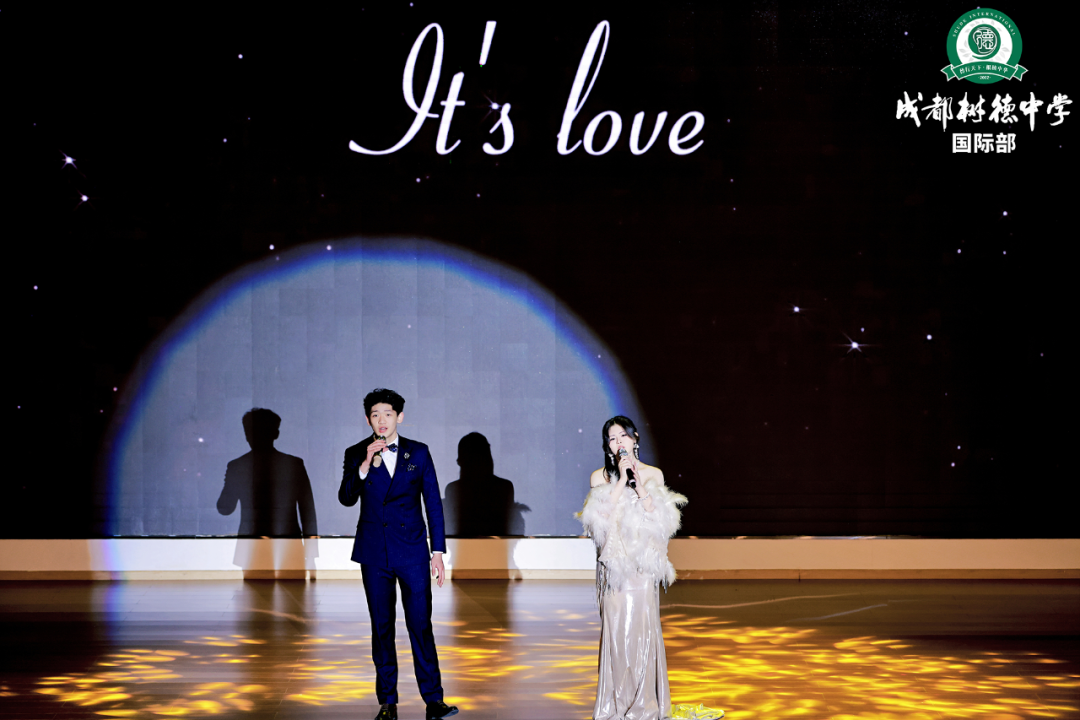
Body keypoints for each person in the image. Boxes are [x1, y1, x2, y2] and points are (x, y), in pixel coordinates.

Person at [579, 416, 723, 720]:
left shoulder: (653, 474)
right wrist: (621, 480)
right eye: (612, 439)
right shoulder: (598, 477)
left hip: (642, 568)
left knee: (641, 631)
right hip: (615, 569)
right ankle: (616, 703)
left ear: (635, 440)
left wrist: (638, 484)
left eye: (623, 436)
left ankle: (644, 704)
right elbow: (597, 521)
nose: (618, 443)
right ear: (607, 446)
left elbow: (661, 520)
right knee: (617, 633)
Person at [339, 388, 458, 720]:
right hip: (374, 552)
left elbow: (433, 503)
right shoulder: (356, 452)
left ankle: (434, 701)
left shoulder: (418, 452)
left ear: (399, 417)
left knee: (420, 624)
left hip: (413, 552)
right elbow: (345, 497)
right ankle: (387, 703)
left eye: (388, 414)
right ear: (368, 419)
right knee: (382, 627)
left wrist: (437, 551)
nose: (382, 420)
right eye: (375, 415)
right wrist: (365, 465)